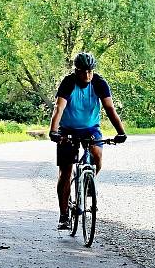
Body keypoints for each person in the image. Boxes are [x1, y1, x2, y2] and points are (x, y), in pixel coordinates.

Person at [48, 52, 126, 229]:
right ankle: (63, 215)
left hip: (91, 128)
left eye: (90, 71)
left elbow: (110, 109)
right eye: (83, 71)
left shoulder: (99, 83)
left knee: (97, 154)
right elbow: (58, 108)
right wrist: (53, 131)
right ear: (76, 70)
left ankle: (88, 181)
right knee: (65, 171)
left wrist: (121, 132)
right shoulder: (68, 83)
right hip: (67, 129)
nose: (87, 75)